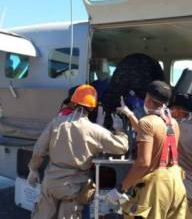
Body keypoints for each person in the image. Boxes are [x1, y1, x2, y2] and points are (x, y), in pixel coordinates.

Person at [27, 84, 129, 219]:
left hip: (51, 183)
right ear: (92, 107)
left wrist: (33, 170)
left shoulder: (56, 122)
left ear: (73, 102)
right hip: (73, 187)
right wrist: (120, 130)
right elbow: (122, 147)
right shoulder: (95, 130)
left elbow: (39, 149)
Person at [105, 81, 187, 219]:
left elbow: (143, 163)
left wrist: (120, 189)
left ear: (148, 99)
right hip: (176, 182)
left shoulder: (147, 122)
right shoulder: (172, 123)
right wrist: (130, 114)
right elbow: (154, 135)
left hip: (157, 187)